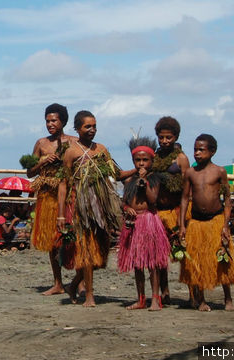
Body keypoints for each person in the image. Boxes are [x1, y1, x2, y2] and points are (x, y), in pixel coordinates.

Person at [57, 111, 122, 307]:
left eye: (94, 126)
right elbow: (63, 183)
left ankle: (74, 284)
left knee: (99, 255)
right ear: (77, 128)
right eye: (87, 126)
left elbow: (115, 174)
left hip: (100, 207)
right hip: (80, 207)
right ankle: (90, 295)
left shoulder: (101, 149)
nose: (92, 130)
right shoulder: (71, 152)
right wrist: (61, 215)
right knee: (86, 251)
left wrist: (139, 170)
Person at [178, 134, 234, 312]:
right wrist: (182, 224)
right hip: (196, 222)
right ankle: (201, 300)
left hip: (216, 220)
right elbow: (184, 199)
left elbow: (227, 199)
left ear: (212, 151)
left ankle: (228, 298)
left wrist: (226, 224)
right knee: (197, 260)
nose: (197, 153)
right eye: (195, 149)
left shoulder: (220, 171)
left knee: (222, 259)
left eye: (201, 150)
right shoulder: (190, 173)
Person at [26, 103, 76, 295]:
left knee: (71, 238)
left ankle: (78, 281)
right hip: (47, 196)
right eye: (47, 121)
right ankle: (58, 283)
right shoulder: (41, 144)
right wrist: (42, 162)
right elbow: (29, 173)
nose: (50, 124)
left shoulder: (73, 142)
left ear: (63, 121)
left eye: (54, 120)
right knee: (51, 241)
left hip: (69, 195)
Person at [118, 136, 170, 311]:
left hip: (149, 220)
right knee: (137, 264)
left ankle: (156, 298)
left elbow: (153, 199)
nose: (141, 164)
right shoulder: (128, 180)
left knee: (153, 263)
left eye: (145, 160)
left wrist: (144, 182)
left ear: (151, 160)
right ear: (133, 161)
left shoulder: (154, 179)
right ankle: (141, 299)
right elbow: (124, 201)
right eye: (138, 160)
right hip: (133, 223)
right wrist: (126, 209)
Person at [146, 117, 190, 305]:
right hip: (158, 212)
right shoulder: (154, 158)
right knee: (158, 256)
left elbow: (187, 190)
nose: (165, 141)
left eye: (169, 138)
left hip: (177, 211)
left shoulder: (181, 159)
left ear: (176, 137)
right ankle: (164, 292)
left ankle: (194, 294)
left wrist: (182, 221)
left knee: (184, 254)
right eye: (161, 137)